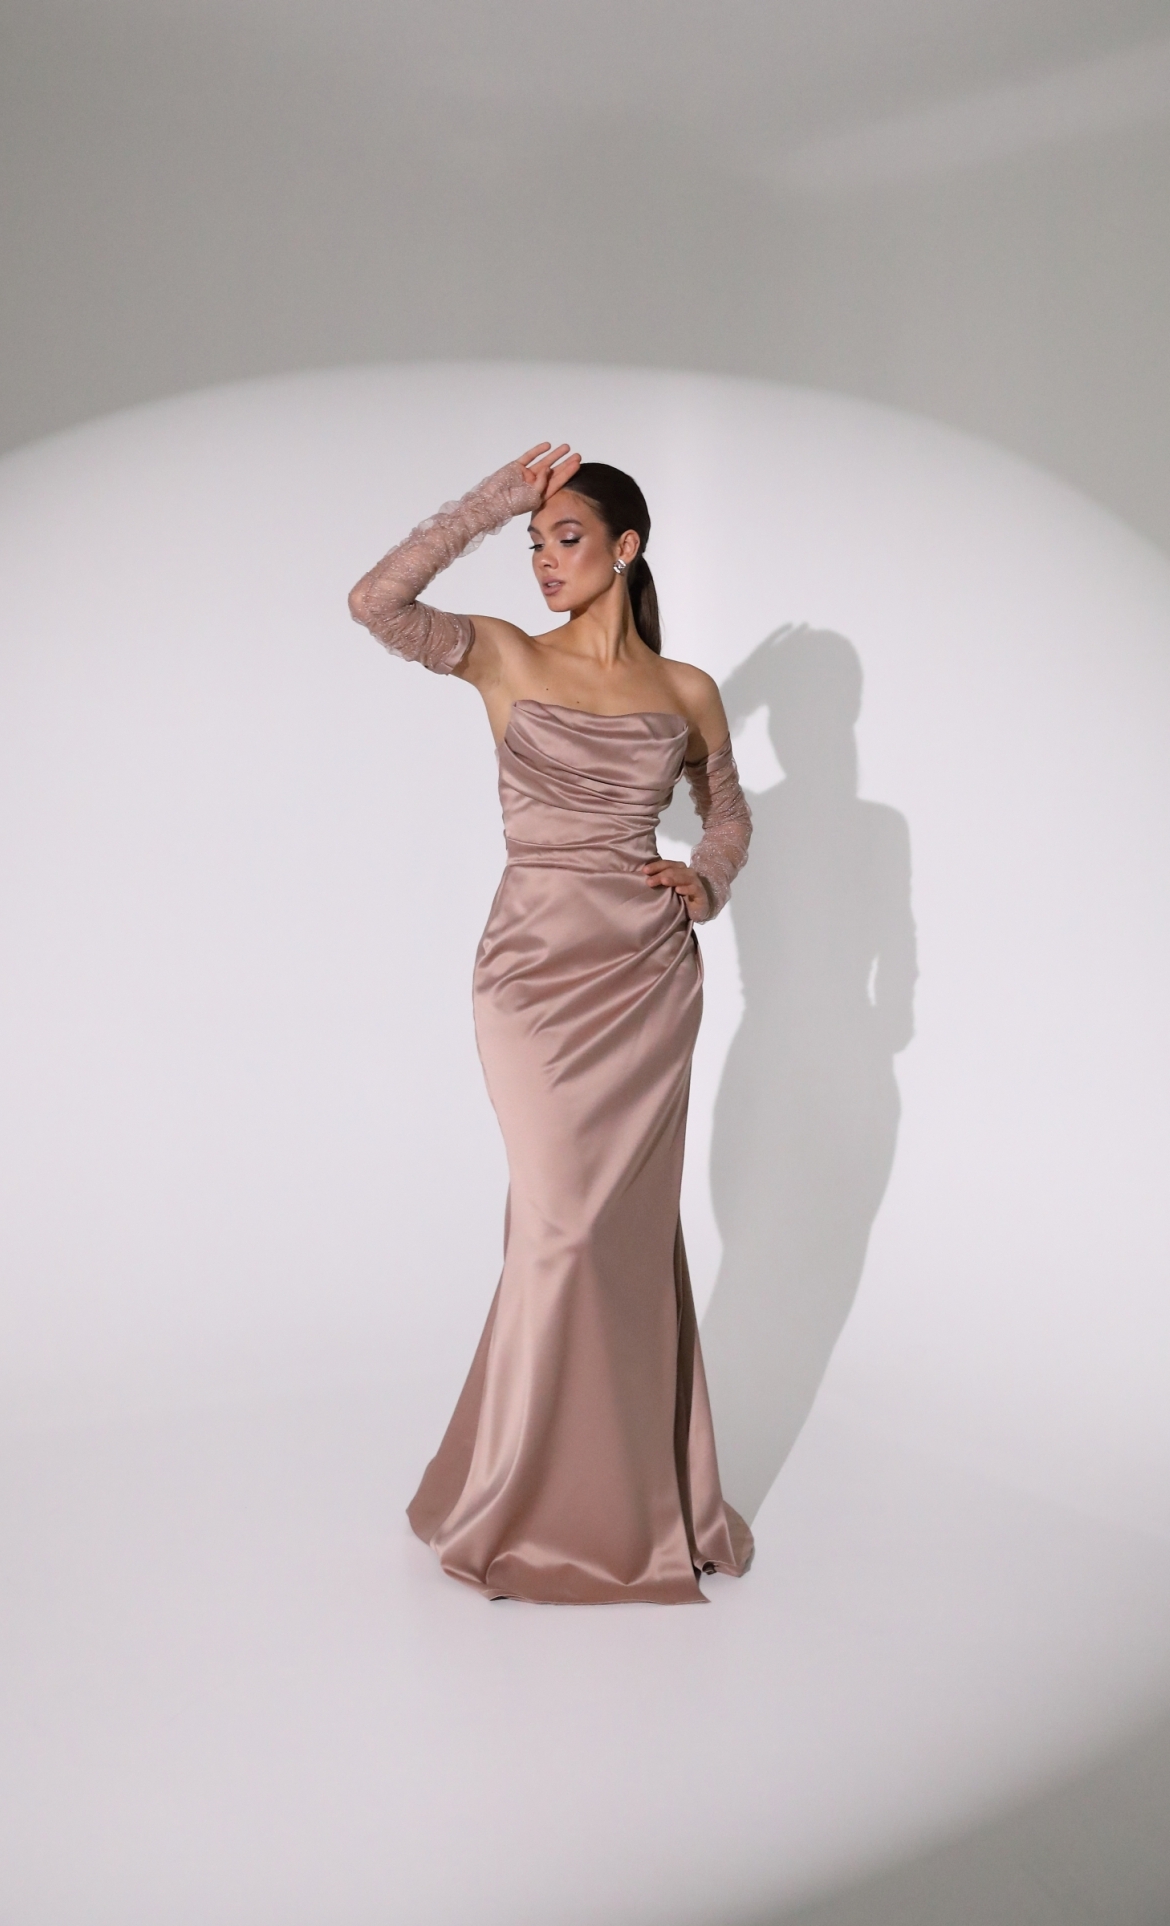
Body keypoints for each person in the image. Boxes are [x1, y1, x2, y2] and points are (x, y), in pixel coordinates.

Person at [348, 443, 754, 1604]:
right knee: (562, 1227)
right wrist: (493, 502)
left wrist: (705, 879)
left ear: (627, 548)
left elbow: (728, 813)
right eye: (534, 545)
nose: (541, 561)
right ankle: (523, 1496)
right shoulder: (505, 656)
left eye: (564, 538)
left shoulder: (687, 692)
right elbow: (375, 603)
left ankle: (630, 1500)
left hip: (646, 979)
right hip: (533, 977)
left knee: (619, 1236)